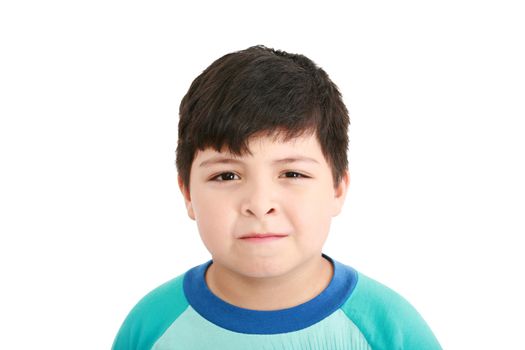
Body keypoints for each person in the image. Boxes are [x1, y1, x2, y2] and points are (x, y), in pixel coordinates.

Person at [112, 45, 442, 349]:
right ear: (187, 193)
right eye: (226, 175)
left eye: (292, 174)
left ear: (337, 188)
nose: (259, 203)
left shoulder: (389, 329)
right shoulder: (151, 327)